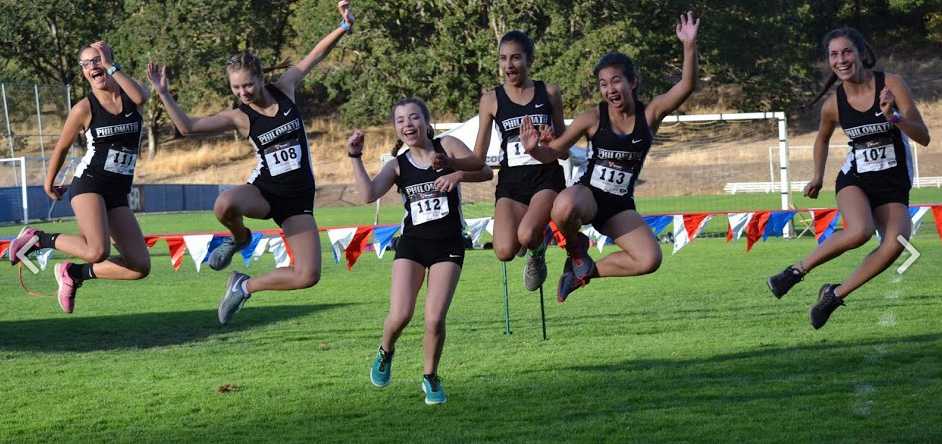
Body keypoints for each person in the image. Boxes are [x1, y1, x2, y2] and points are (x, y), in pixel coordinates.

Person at [146, 1, 355, 325]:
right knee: (224, 203)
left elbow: (315, 55)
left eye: (247, 85)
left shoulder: (285, 88)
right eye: (235, 87)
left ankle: (244, 286)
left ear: (259, 78)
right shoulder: (240, 117)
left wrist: (343, 26)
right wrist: (164, 94)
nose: (242, 92)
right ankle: (240, 237)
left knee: (307, 274)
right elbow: (187, 127)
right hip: (265, 190)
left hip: (297, 200)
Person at [520, 12, 700, 303]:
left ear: (633, 82)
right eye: (603, 84)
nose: (610, 89)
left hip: (619, 206)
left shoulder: (650, 114)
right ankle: (576, 251)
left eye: (616, 81)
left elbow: (686, 86)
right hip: (589, 196)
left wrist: (689, 46)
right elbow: (556, 151)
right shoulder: (592, 117)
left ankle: (582, 273)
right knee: (563, 205)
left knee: (649, 259)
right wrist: (533, 150)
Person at [767, 27, 930, 329]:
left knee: (898, 243)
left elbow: (924, 137)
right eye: (834, 54)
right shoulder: (833, 104)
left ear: (860, 54)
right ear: (829, 60)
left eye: (846, 52)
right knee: (859, 231)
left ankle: (834, 294)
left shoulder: (891, 84)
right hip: (855, 179)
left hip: (892, 185)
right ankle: (795, 271)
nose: (840, 60)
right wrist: (817, 176)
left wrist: (893, 116)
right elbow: (822, 138)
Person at [348, 98, 491, 405]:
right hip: (412, 244)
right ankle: (386, 350)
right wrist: (355, 157)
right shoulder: (397, 165)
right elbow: (367, 194)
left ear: (427, 122)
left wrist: (456, 173)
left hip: (448, 244)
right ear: (397, 129)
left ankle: (430, 377)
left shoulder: (448, 146)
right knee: (400, 314)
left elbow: (485, 171)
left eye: (414, 118)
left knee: (434, 319)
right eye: (400, 120)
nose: (408, 125)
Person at [8, 41, 151, 313]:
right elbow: (62, 146)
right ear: (83, 72)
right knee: (98, 251)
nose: (92, 67)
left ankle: (74, 273)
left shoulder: (131, 97)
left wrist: (110, 64)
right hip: (90, 183)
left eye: (96, 60)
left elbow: (143, 97)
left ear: (108, 60)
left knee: (139, 266)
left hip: (118, 192)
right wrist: (48, 182)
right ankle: (39, 239)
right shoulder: (84, 108)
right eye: (86, 64)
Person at [473, 30, 567, 292]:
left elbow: (565, 149)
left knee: (527, 234)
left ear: (529, 60)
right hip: (511, 181)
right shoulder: (491, 100)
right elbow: (478, 156)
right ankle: (531, 238)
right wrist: (450, 166)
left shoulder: (548, 92)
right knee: (504, 250)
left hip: (545, 176)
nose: (508, 65)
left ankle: (537, 254)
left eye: (515, 58)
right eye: (503, 59)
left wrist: (550, 143)